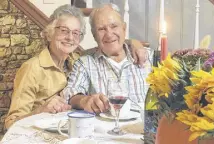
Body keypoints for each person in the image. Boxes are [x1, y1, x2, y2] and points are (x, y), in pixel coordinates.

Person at [4, 4, 147, 129]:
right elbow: (10, 123)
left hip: (65, 130)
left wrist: (132, 42)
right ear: (50, 32)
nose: (70, 38)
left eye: (75, 33)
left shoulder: (75, 59)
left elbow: (111, 42)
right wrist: (41, 109)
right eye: (64, 31)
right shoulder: (32, 68)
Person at [63, 4, 152, 114]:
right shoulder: (85, 62)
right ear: (94, 35)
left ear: (124, 28)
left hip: (144, 127)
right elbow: (70, 94)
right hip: (105, 128)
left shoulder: (148, 56)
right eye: (101, 29)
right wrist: (85, 100)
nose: (109, 34)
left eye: (114, 26)